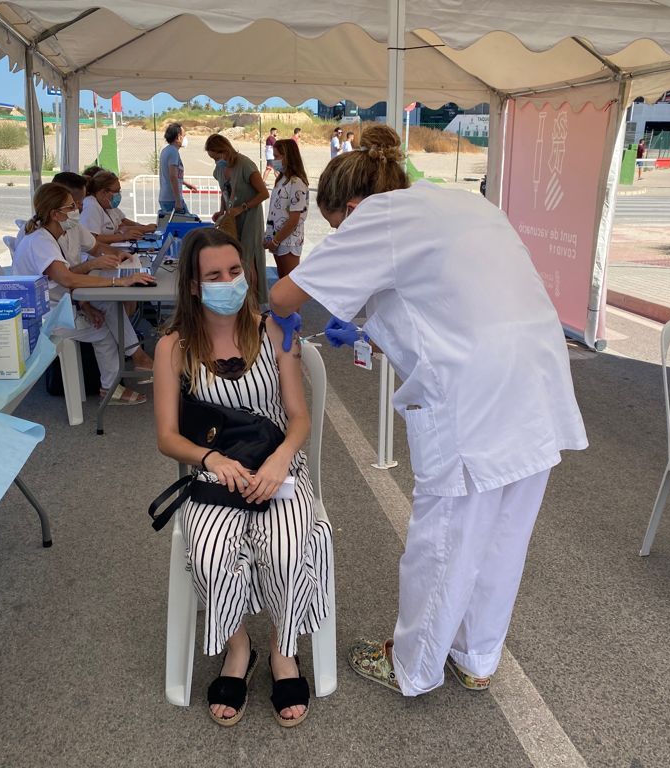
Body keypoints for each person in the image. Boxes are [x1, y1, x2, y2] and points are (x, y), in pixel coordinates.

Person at [268, 125, 588, 697]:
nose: (344, 239)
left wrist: (296, 317)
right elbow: (441, 306)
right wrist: (365, 331)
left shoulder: (378, 215)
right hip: (536, 383)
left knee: (442, 540)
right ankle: (476, 656)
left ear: (352, 205)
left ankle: (412, 666)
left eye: (338, 228)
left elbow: (283, 296)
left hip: (473, 399)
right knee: (502, 537)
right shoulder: (463, 202)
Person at [153, 227, 332, 727]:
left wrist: (278, 463)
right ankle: (238, 646)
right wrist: (209, 459)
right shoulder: (174, 348)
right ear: (193, 285)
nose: (228, 282)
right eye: (213, 275)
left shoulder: (275, 332)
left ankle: (282, 647)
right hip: (217, 474)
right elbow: (167, 436)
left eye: (235, 271)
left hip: (280, 467)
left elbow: (298, 417)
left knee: (288, 544)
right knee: (209, 552)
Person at [13, 183, 156, 405]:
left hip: (63, 304)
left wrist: (86, 305)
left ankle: (132, 366)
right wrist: (119, 281)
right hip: (43, 317)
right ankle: (120, 379)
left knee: (107, 311)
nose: (77, 208)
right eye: (71, 206)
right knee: (104, 330)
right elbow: (67, 278)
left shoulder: (61, 231)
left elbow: (70, 275)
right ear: (55, 214)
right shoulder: (40, 241)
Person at [205, 134, 271, 302]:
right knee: (235, 259)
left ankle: (253, 301)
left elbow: (263, 193)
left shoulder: (245, 164)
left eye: (216, 156)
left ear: (224, 150)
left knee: (249, 259)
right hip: (231, 219)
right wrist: (221, 212)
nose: (215, 162)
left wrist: (242, 208)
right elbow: (224, 191)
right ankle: (241, 300)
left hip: (249, 218)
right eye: (212, 158)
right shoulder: (220, 168)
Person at [263, 137, 309, 278]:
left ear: (287, 157)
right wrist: (270, 237)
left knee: (288, 282)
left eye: (277, 156)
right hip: (277, 239)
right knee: (282, 279)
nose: (274, 160)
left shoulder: (296, 183)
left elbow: (293, 220)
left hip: (288, 241)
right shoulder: (282, 180)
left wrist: (276, 241)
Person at [81, 170, 157, 245]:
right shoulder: (91, 207)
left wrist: (144, 228)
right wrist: (123, 237)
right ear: (104, 192)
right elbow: (92, 239)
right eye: (116, 191)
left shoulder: (107, 206)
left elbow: (121, 227)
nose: (118, 195)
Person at [159, 122, 199, 214]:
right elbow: (173, 176)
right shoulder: (173, 152)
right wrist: (178, 201)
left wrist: (186, 184)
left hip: (166, 198)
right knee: (186, 225)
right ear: (178, 137)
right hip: (172, 199)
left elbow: (172, 175)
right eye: (184, 135)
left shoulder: (166, 150)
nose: (185, 138)